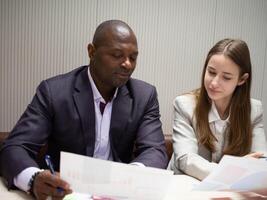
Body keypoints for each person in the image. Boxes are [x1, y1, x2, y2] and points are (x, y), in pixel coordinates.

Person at [0, 20, 168, 199]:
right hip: (66, 192)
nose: (127, 64)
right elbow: (15, 147)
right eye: (117, 55)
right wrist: (34, 180)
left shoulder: (144, 95)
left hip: (119, 193)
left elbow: (155, 151)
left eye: (133, 57)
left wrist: (129, 177)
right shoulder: (54, 92)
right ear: (92, 52)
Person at [168, 38, 267, 180]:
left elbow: (261, 160)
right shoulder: (184, 105)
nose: (214, 83)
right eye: (211, 72)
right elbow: (186, 160)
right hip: (186, 184)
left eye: (226, 77)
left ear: (242, 79)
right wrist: (234, 172)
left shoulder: (254, 110)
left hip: (227, 190)